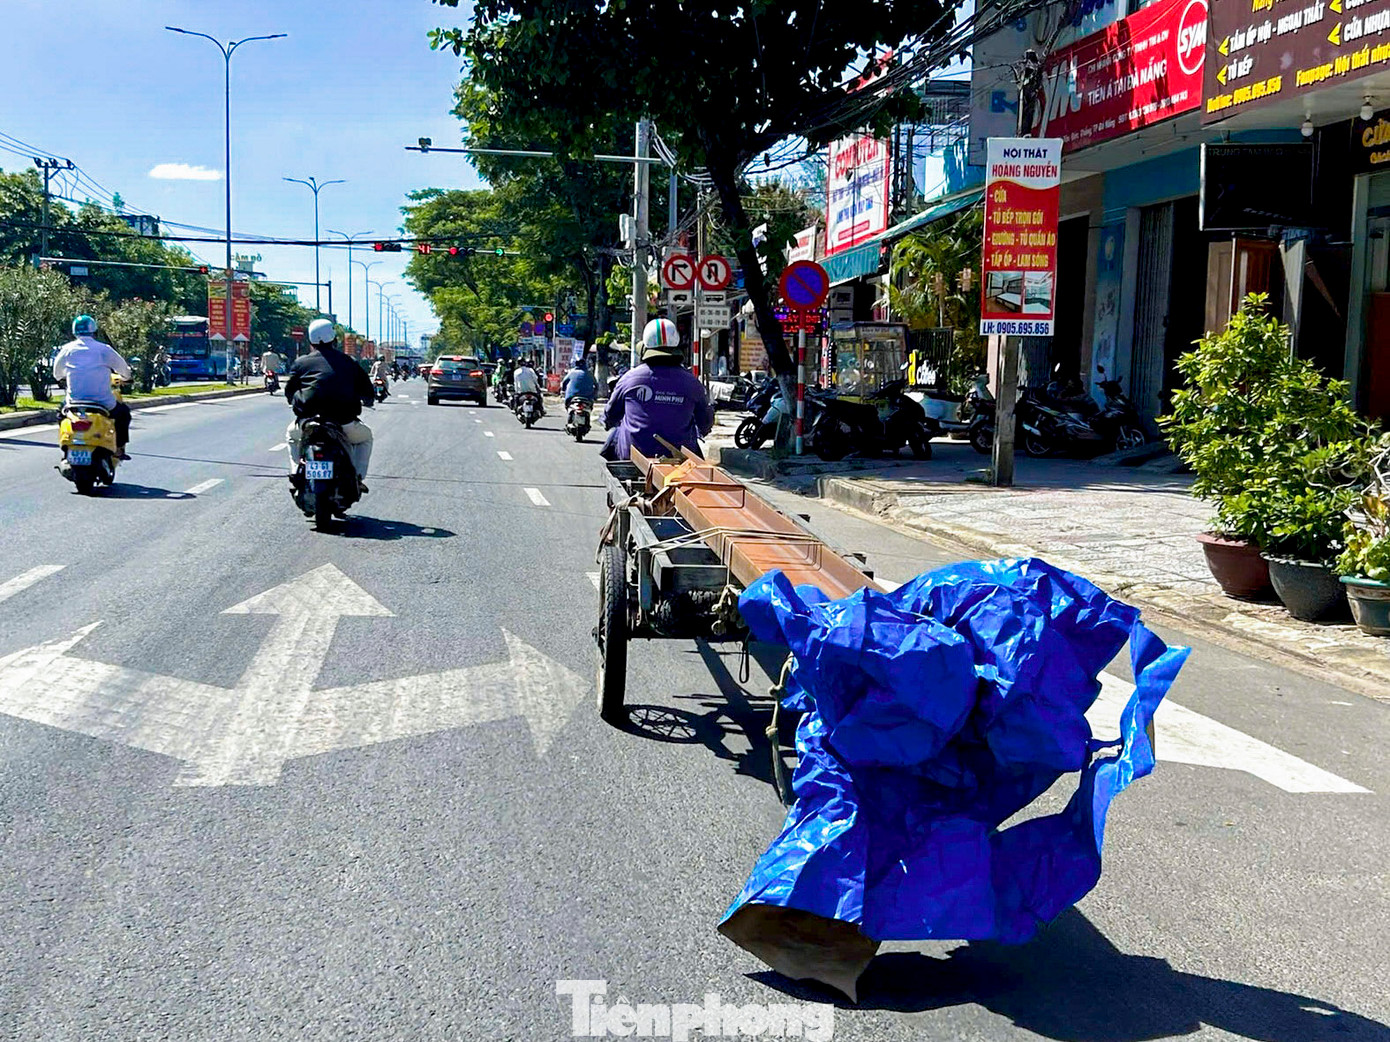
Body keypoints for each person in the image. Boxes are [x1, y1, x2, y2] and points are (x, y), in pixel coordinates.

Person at [601, 318, 713, 460]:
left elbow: (611, 414)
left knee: (615, 434)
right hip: (680, 458)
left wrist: (607, 421)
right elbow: (705, 422)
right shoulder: (692, 383)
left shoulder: (629, 378)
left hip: (632, 456)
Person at [283, 318, 376, 490]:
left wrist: (293, 400)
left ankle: (296, 471)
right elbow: (368, 392)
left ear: (310, 341)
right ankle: (358, 478)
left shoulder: (301, 363)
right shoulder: (349, 362)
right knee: (365, 438)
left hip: (308, 422)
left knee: (291, 436)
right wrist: (368, 400)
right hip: (344, 422)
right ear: (334, 339)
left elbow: (290, 391)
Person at [52, 315, 133, 459]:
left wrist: (64, 378)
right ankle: (119, 448)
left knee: (61, 414)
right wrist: (127, 378)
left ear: (74, 331)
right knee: (123, 414)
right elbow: (123, 369)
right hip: (103, 403)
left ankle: (65, 448)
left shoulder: (67, 349)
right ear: (94, 331)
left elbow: (57, 373)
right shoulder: (103, 349)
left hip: (74, 402)